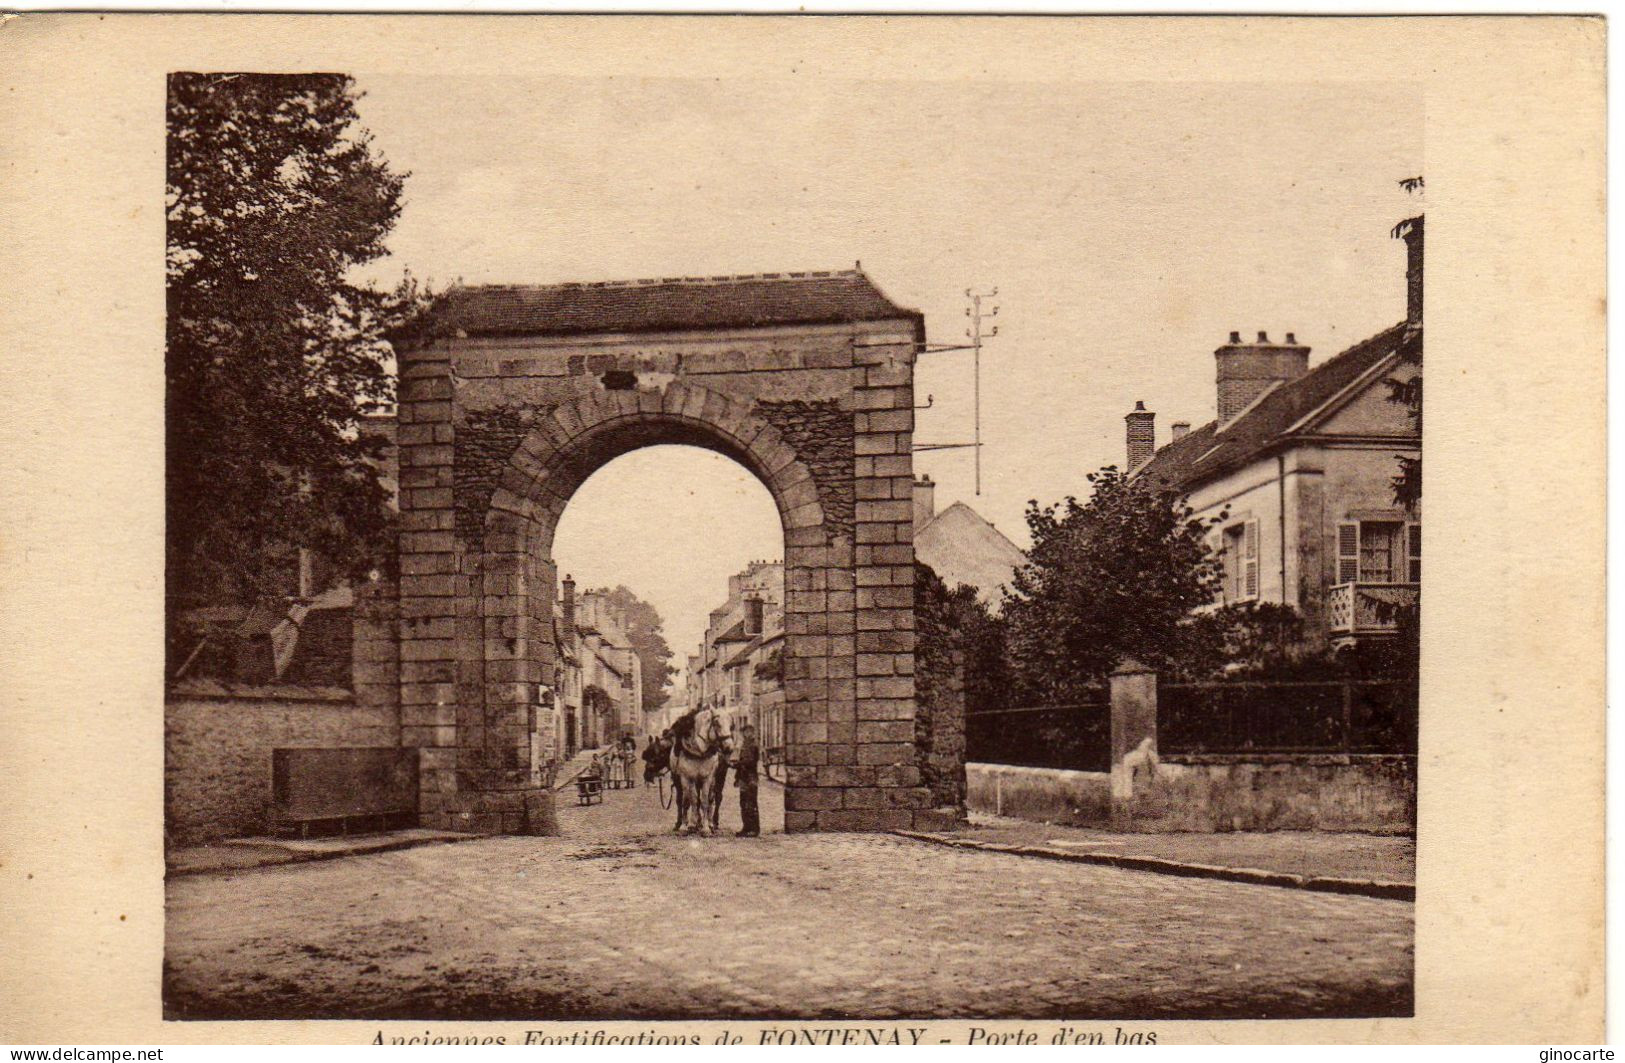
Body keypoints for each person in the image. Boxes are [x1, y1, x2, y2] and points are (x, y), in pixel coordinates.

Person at [732, 720, 760, 837]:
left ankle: (754, 829)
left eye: (746, 732)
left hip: (751, 778)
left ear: (751, 733)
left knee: (751, 803)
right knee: (743, 803)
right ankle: (746, 827)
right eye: (743, 733)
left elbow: (750, 762)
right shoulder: (745, 745)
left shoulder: (753, 746)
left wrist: (737, 764)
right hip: (743, 777)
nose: (744, 735)